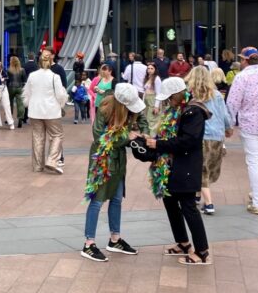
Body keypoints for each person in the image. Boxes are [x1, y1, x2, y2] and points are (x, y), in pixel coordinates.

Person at [144, 76, 211, 265]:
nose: (167, 101)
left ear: (178, 94)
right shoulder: (176, 109)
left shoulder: (193, 111)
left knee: (189, 207)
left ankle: (202, 251)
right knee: (170, 202)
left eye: (169, 97)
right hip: (171, 166)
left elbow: (189, 141)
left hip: (186, 166)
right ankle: (183, 242)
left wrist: (159, 144)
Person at [81, 83, 147, 262]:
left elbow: (143, 122)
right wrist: (127, 136)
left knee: (117, 199)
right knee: (98, 200)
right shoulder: (104, 110)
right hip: (102, 160)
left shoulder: (129, 110)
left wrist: (142, 134)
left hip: (118, 159)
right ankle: (89, 244)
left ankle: (115, 239)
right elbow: (99, 138)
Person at [226, 46, 258, 215]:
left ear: (245, 60)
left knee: (254, 161)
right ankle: (256, 196)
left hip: (250, 123)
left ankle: (257, 201)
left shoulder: (242, 77)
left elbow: (232, 103)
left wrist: (229, 124)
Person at [186, 65, 232, 217]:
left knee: (200, 170)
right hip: (217, 136)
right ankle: (197, 196)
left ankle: (209, 203)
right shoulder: (217, 94)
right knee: (208, 169)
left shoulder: (192, 96)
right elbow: (224, 114)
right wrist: (228, 128)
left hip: (201, 136)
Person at [22, 51, 67, 174]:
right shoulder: (54, 77)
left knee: (37, 137)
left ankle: (37, 166)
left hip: (35, 110)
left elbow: (27, 93)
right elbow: (60, 95)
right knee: (57, 135)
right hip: (51, 111)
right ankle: (52, 160)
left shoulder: (32, 76)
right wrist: (62, 104)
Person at [0, 60, 15, 129]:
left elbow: (8, 78)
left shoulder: (3, 71)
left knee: (7, 105)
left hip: (3, 89)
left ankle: (11, 122)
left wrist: (4, 79)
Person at [142, 62, 162, 134]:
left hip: (153, 100)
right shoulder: (147, 78)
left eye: (151, 68)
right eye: (148, 68)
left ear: (155, 69)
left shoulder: (157, 79)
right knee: (146, 118)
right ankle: (147, 135)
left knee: (152, 119)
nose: (149, 70)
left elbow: (158, 93)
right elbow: (145, 91)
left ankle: (152, 136)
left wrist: (156, 106)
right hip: (146, 100)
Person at [6, 56, 26, 128]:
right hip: (20, 87)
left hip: (11, 88)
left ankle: (9, 118)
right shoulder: (22, 70)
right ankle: (20, 118)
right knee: (20, 104)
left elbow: (7, 80)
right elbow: (24, 81)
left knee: (9, 103)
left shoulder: (9, 70)